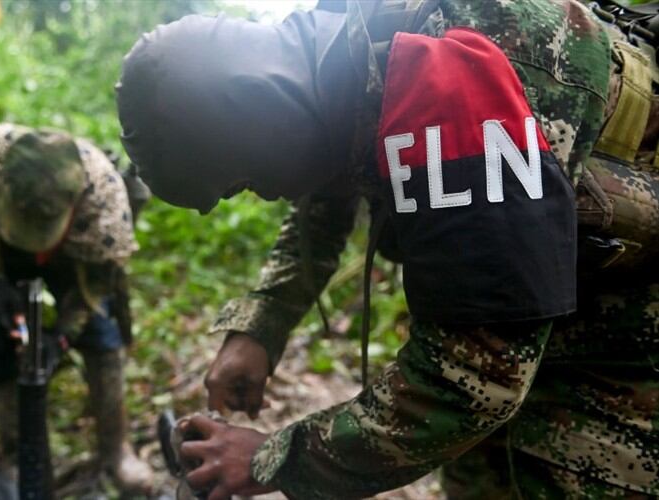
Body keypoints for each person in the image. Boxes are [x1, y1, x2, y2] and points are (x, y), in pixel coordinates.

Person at [116, 0, 659, 498]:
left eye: (243, 180)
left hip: (626, 324)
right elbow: (322, 201)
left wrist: (269, 459)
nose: (262, 192)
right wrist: (260, 326)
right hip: (545, 296)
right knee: (477, 476)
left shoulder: (451, 70)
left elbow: (470, 381)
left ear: (262, 109)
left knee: (571, 467)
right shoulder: (334, 65)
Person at [0, 124, 154, 493]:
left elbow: (99, 282)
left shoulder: (103, 201)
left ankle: (117, 451)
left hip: (73, 256)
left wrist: (64, 334)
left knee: (101, 335)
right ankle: (19, 454)